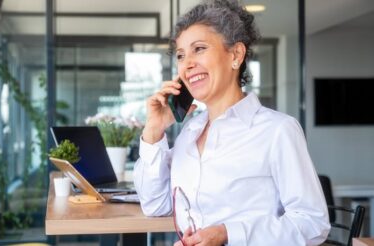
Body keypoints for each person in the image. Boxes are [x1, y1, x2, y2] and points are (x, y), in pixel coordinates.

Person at [133, 0, 330, 245]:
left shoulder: (277, 130)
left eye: (199, 49)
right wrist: (154, 131)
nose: (187, 63)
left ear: (236, 54)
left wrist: (228, 233)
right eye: (181, 55)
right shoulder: (190, 132)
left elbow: (313, 224)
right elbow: (155, 205)